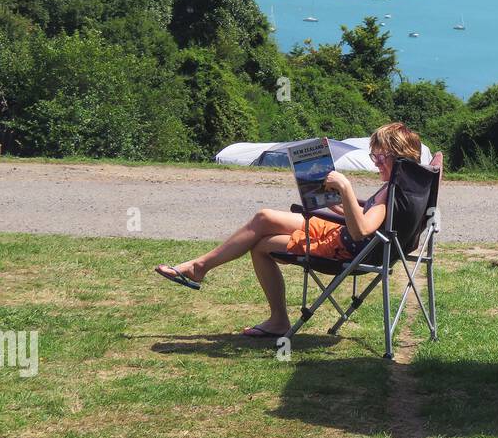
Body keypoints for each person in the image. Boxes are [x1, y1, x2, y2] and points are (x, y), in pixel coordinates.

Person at [154, 122, 424, 337]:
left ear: (397, 156)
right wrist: (332, 199)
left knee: (261, 244)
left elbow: (360, 230)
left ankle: (274, 318)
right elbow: (365, 218)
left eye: (380, 155)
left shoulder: (392, 192)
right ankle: (201, 269)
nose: (375, 161)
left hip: (343, 247)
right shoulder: (404, 185)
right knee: (264, 219)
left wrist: (345, 188)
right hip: (344, 236)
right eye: (374, 154)